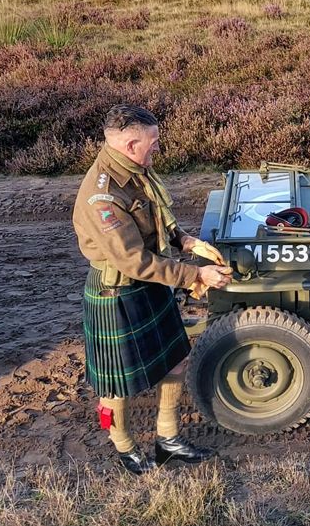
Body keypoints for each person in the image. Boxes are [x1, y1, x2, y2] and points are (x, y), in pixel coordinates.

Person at [72, 104, 232, 474]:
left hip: (150, 285)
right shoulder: (103, 197)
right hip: (118, 293)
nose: (157, 148)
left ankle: (168, 441)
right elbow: (134, 262)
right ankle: (125, 448)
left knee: (176, 359)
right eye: (153, 143)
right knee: (116, 386)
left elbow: (157, 215)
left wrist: (187, 242)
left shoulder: (135, 169)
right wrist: (196, 276)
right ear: (130, 144)